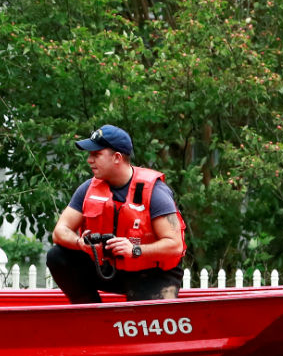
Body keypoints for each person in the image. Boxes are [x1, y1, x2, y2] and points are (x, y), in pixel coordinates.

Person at [47, 124, 185, 303]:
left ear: (117, 158)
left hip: (150, 273)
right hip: (109, 269)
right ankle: (89, 313)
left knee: (142, 323)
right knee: (57, 256)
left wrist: (135, 250)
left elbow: (175, 246)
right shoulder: (88, 189)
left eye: (96, 155)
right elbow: (60, 232)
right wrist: (80, 243)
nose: (89, 160)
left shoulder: (155, 192)